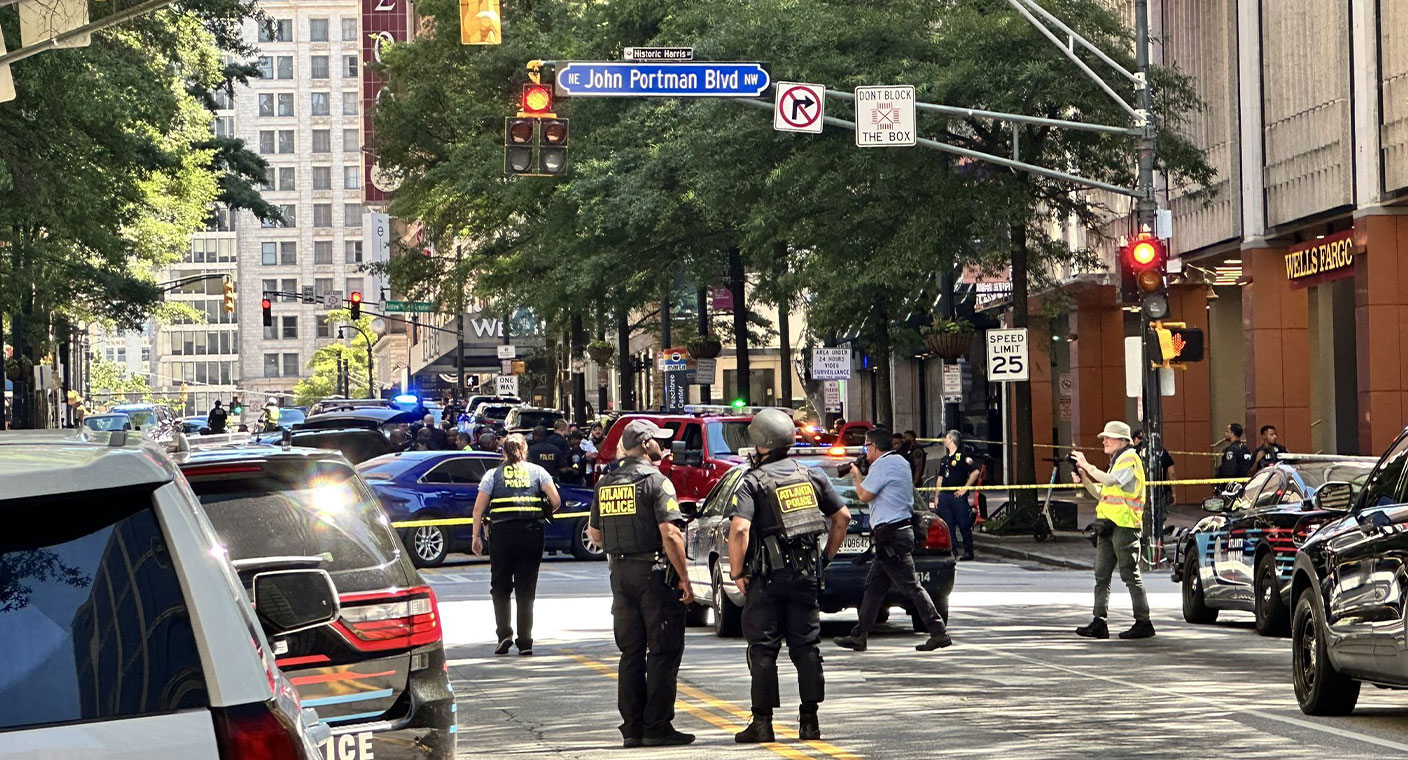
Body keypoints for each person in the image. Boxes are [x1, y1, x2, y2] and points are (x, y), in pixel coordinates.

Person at [727, 409, 851, 744]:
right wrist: (825, 558)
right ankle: (809, 722)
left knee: (763, 650)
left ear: (762, 443)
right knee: (806, 647)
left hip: (766, 579)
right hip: (806, 575)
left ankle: (763, 724)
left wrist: (737, 571)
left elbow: (740, 529)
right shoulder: (810, 475)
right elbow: (842, 516)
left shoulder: (753, 481)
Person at [586, 420, 695, 749]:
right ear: (645, 445)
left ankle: (632, 728)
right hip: (653, 574)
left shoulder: (606, 482)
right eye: (658, 441)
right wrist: (685, 578)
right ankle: (657, 726)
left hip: (620, 575)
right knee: (663, 650)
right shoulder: (656, 481)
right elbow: (671, 533)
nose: (662, 446)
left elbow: (594, 534)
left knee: (631, 652)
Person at [834, 427, 952, 652]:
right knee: (874, 588)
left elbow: (864, 495)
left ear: (875, 447)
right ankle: (860, 635)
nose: (866, 450)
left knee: (912, 587)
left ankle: (939, 632)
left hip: (892, 537)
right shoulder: (900, 462)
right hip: (897, 533)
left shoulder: (882, 465)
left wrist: (856, 475)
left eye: (867, 446)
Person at [471, 433, 561, 656]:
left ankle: (504, 635)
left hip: (502, 534)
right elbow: (556, 500)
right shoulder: (538, 472)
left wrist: (476, 537)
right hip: (531, 532)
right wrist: (543, 512)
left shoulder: (493, 475)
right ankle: (525, 641)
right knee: (526, 587)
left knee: (500, 585)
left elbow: (478, 509)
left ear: (503, 452)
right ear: (525, 450)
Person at [1071, 421, 1154, 640]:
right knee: (1101, 575)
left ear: (1123, 441)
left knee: (1129, 574)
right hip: (1109, 525)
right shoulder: (1116, 461)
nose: (1104, 441)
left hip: (1126, 525)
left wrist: (1087, 466)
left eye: (1109, 437)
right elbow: (1104, 493)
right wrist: (1085, 480)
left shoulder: (1129, 459)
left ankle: (1143, 622)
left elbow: (1111, 481)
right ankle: (1099, 622)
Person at [933, 431, 979, 561]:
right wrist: (937, 497)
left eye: (946, 437)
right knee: (948, 524)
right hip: (945, 496)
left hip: (957, 496)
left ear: (952, 440)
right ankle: (953, 550)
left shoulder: (962, 456)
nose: (944, 440)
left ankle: (968, 551)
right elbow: (940, 479)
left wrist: (965, 488)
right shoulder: (944, 459)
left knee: (964, 523)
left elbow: (975, 472)